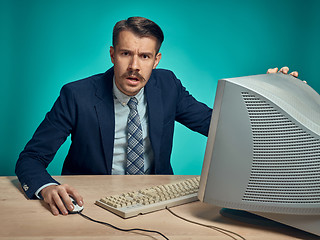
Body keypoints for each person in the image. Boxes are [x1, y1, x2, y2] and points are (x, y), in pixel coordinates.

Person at [15, 16, 298, 216]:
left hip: (155, 201)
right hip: (91, 203)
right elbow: (30, 159)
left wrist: (273, 96)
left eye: (145, 56)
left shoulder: (168, 85)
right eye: (126, 53)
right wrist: (47, 187)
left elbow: (219, 127)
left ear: (157, 60)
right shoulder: (77, 95)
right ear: (113, 54)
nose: (135, 66)